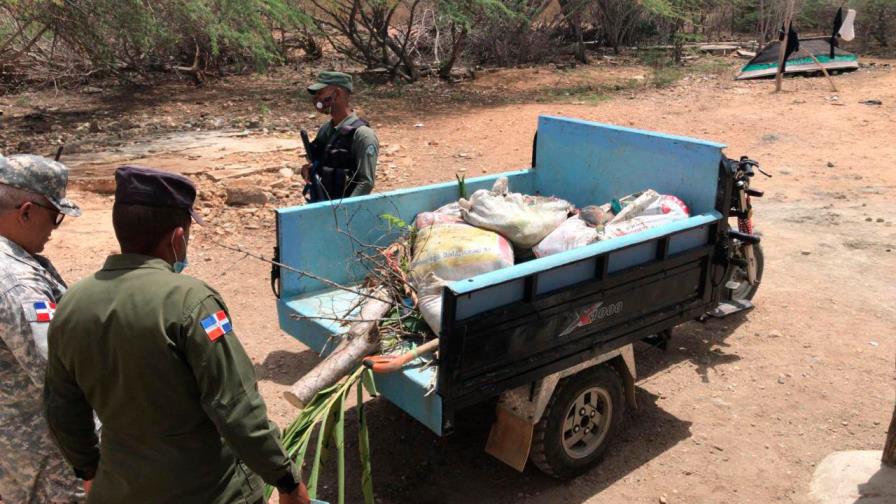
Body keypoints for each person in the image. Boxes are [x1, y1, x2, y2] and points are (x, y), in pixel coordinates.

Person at [44, 166, 309, 504]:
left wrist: (88, 469)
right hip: (208, 491)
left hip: (119, 489)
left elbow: (62, 408)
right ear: (177, 238)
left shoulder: (71, 304)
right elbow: (236, 408)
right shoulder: (192, 302)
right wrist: (285, 478)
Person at [0, 154, 85, 503]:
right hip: (44, 462)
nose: (54, 228)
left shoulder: (16, 260)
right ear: (26, 212)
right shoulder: (17, 282)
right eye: (55, 216)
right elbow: (58, 374)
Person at [302, 71, 379, 201]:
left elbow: (366, 182)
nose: (316, 98)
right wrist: (309, 170)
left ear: (337, 93)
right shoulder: (326, 130)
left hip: (346, 209)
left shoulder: (363, 135)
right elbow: (321, 163)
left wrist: (345, 209)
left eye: (320, 93)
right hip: (321, 203)